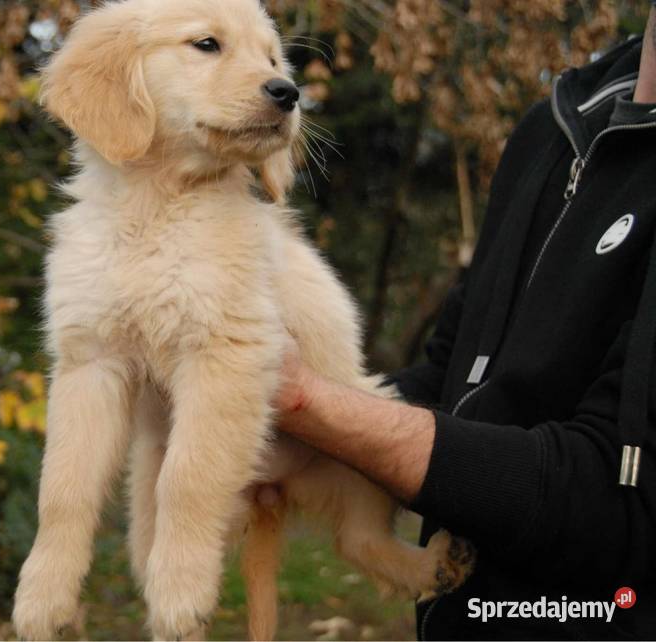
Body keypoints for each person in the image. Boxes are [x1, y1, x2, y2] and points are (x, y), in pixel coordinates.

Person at [272, 6, 656, 639]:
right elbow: (451, 380)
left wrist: (306, 401)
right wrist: (285, 429)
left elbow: (612, 502)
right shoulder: (559, 123)